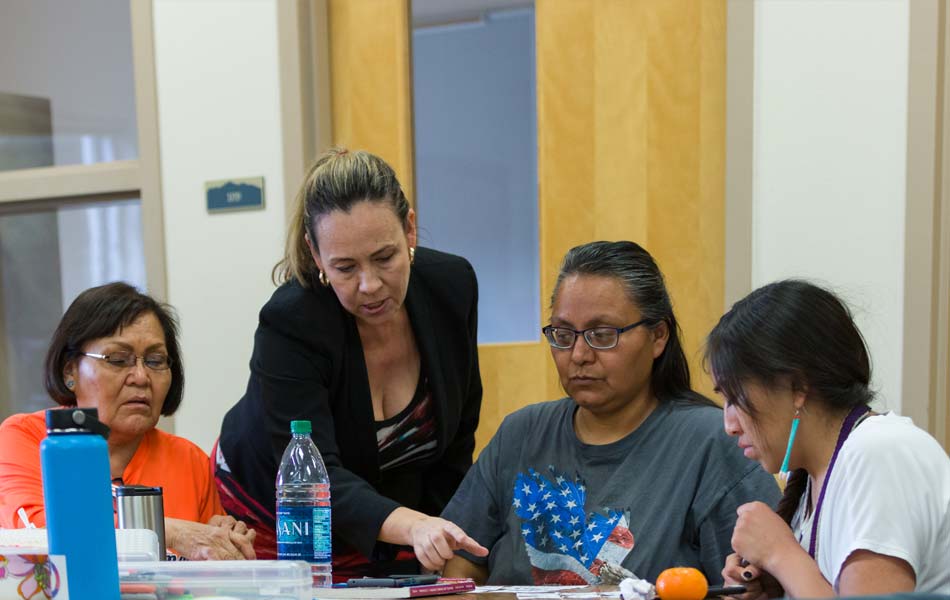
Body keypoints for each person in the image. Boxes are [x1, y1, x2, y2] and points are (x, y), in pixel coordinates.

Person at [441, 241, 780, 585]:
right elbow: (461, 559)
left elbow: (749, 586)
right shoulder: (520, 433)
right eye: (563, 334)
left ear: (658, 336)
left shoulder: (715, 442)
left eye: (602, 335)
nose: (579, 354)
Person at [216, 148, 486, 578]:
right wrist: (414, 525)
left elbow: (455, 441)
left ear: (410, 229)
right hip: (275, 519)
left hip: (392, 515)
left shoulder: (452, 287)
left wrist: (440, 542)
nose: (370, 285)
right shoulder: (291, 322)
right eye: (345, 267)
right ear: (316, 254)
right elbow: (314, 477)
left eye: (385, 257)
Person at [706, 279, 950, 597]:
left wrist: (781, 555)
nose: (729, 425)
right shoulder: (813, 474)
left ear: (798, 387)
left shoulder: (880, 450)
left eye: (736, 397)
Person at [0, 282, 256, 560]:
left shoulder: (188, 459)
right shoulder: (28, 439)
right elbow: (41, 535)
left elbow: (208, 574)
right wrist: (172, 533)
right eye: (118, 359)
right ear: (69, 370)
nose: (141, 377)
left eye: (156, 360)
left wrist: (226, 542)